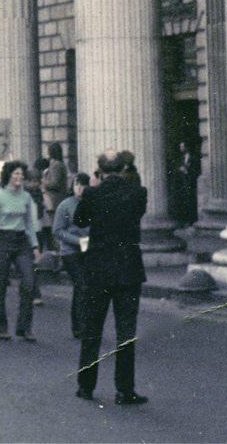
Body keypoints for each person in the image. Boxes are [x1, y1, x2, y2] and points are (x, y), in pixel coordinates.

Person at [74, 152, 148, 406]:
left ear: (99, 170)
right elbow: (136, 215)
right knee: (125, 333)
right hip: (128, 270)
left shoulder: (92, 194)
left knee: (92, 331)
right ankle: (124, 390)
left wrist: (92, 190)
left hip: (97, 271)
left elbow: (80, 220)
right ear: (123, 168)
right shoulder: (138, 193)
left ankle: (85, 386)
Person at [0, 160, 40, 342]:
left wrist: (35, 246)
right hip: (2, 240)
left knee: (28, 282)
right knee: (0, 283)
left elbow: (29, 223)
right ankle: (1, 328)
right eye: (16, 173)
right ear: (8, 176)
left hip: (21, 241)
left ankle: (24, 328)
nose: (19, 177)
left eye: (21, 174)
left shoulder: (26, 197)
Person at [52, 173, 91, 339]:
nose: (80, 188)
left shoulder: (92, 204)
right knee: (81, 284)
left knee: (86, 287)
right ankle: (79, 326)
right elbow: (57, 230)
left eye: (83, 185)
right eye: (77, 185)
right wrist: (78, 241)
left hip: (89, 250)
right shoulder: (65, 206)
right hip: (70, 252)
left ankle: (85, 323)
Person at [40, 144, 70, 249]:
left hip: (55, 201)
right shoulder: (56, 164)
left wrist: (44, 183)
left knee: (55, 227)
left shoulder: (56, 165)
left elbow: (55, 183)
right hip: (54, 200)